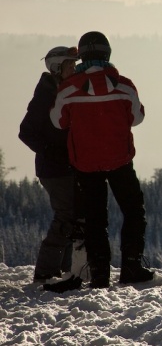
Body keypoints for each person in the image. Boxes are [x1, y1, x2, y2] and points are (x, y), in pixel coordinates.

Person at [50, 31, 153, 287]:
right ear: (107, 53)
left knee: (95, 219)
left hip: (85, 164)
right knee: (133, 211)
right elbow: (137, 118)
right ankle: (131, 266)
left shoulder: (68, 89)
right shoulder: (125, 86)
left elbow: (58, 121)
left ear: (82, 56)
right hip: (120, 160)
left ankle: (99, 274)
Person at [19, 46, 80, 283]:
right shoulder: (47, 93)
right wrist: (50, 151)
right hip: (54, 169)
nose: (74, 69)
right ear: (56, 67)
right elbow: (26, 131)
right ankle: (46, 271)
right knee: (66, 217)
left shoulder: (63, 89)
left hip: (66, 165)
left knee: (72, 216)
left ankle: (64, 269)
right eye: (70, 65)